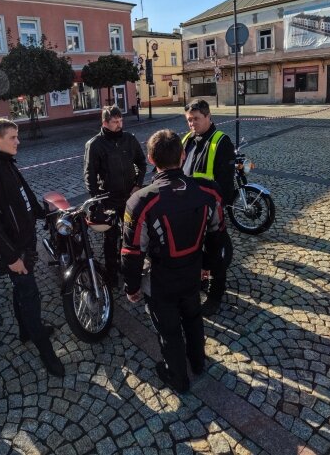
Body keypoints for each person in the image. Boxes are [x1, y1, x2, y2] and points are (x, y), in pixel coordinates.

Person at [121, 129, 226, 393]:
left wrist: (131, 287)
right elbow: (218, 235)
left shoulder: (141, 201)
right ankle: (198, 362)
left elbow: (132, 252)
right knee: (193, 317)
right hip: (192, 273)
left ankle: (178, 378)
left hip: (162, 280)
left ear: (150, 159)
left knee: (169, 331)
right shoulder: (208, 191)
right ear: (183, 155)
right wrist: (208, 267)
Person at [0, 118, 64, 377]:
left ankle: (25, 331)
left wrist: (44, 212)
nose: (18, 141)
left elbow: (24, 196)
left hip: (26, 242)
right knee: (30, 295)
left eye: (17, 137)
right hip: (13, 249)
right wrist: (11, 258)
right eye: (13, 137)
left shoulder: (6, 162)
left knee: (21, 289)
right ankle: (47, 353)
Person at [181, 99, 235, 314]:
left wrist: (218, 210)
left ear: (208, 116)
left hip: (212, 209)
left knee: (216, 252)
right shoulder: (187, 139)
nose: (192, 124)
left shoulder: (221, 141)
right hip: (189, 209)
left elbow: (226, 184)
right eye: (188, 120)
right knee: (194, 250)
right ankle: (199, 280)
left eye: (196, 119)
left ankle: (215, 293)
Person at [83, 105, 146, 287]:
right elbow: (89, 175)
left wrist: (138, 184)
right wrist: (97, 199)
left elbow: (141, 163)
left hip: (129, 197)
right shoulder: (94, 144)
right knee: (110, 238)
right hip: (108, 199)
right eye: (115, 122)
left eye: (121, 121)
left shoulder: (129, 139)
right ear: (105, 123)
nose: (119, 125)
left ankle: (126, 267)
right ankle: (111, 274)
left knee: (130, 235)